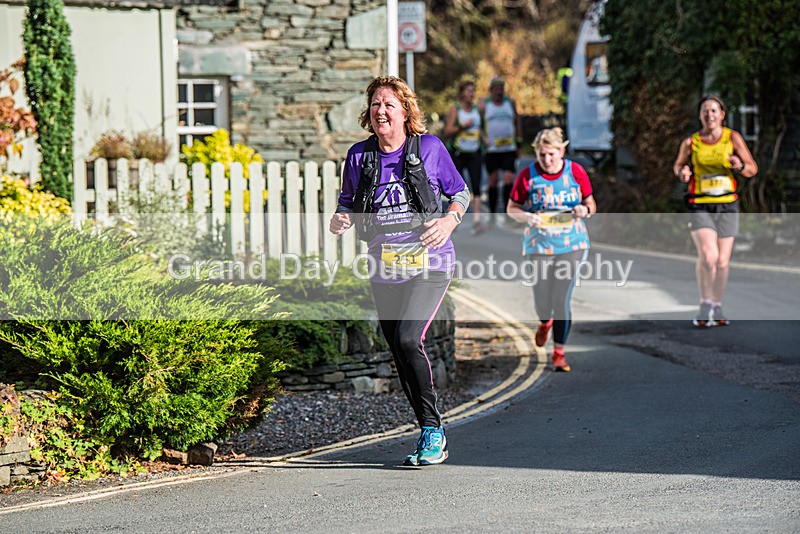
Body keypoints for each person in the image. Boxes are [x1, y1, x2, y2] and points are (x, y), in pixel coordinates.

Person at [329, 76, 469, 466]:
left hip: (430, 261)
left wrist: (449, 221)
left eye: (389, 104)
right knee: (399, 350)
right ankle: (428, 427)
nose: (381, 110)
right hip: (384, 264)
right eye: (375, 104)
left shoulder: (429, 148)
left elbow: (460, 192)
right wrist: (340, 219)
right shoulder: (359, 156)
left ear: (405, 112)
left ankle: (432, 430)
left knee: (409, 340)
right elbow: (347, 203)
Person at [506, 127, 596, 372]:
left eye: (552, 154)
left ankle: (559, 353)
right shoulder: (528, 175)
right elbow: (511, 208)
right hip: (539, 243)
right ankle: (545, 322)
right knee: (543, 299)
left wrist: (583, 211)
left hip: (572, 243)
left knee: (561, 297)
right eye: (542, 155)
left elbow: (591, 203)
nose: (546, 160)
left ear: (562, 151)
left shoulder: (575, 172)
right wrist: (526, 217)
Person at [673, 94, 757, 327]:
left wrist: (739, 166)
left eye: (714, 111)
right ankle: (704, 303)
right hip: (699, 204)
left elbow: (752, 168)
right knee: (709, 257)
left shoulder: (733, 138)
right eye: (705, 111)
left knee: (722, 261)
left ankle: (717, 304)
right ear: (700, 116)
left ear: (722, 115)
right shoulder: (691, 142)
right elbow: (679, 165)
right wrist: (683, 173)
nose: (709, 115)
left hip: (727, 204)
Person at [443, 79, 488, 234]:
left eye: (473, 91)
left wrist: (484, 138)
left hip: (475, 152)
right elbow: (447, 131)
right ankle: (453, 219)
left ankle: (476, 221)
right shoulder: (455, 109)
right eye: (469, 91)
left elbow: (479, 128)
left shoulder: (476, 109)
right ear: (462, 93)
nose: (472, 94)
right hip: (458, 153)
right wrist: (462, 126)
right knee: (456, 188)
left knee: (477, 187)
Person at [478, 76, 523, 226]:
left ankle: (507, 211)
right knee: (493, 180)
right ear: (491, 90)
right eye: (496, 88)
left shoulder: (510, 102)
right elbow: (477, 124)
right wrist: (483, 138)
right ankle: (491, 214)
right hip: (492, 149)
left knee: (509, 178)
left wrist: (519, 140)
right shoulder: (484, 105)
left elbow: (517, 121)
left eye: (501, 88)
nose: (499, 91)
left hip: (508, 148)